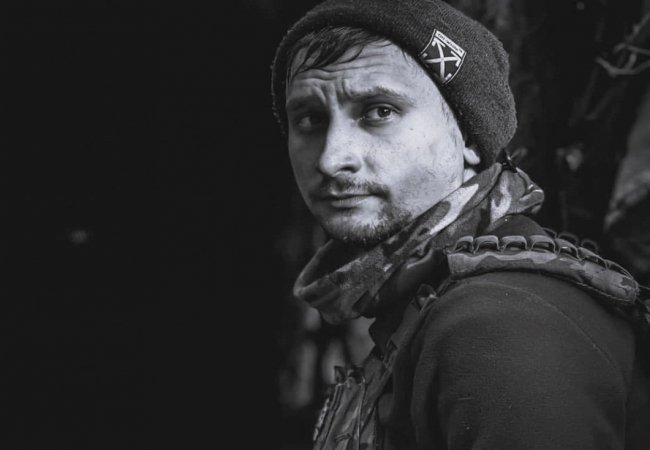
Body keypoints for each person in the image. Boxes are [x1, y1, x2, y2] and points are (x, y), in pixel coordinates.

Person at [270, 0, 650, 448]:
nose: (332, 158)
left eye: (380, 111)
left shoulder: (498, 326)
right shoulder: (429, 302)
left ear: (469, 134)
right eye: (310, 119)